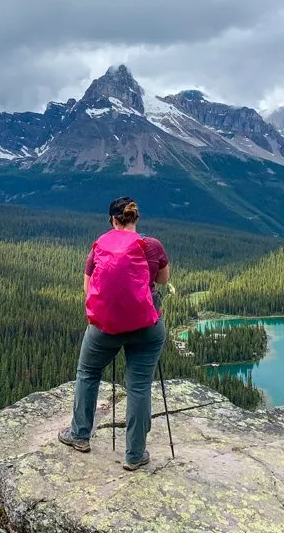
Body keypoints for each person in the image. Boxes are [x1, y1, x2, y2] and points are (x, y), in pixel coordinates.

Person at [58, 196, 171, 471]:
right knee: (139, 386)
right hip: (146, 327)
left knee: (88, 373)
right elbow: (163, 281)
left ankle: (80, 435)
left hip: (105, 328)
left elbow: (88, 289)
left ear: (112, 220)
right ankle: (134, 455)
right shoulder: (152, 245)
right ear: (136, 219)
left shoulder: (100, 245)